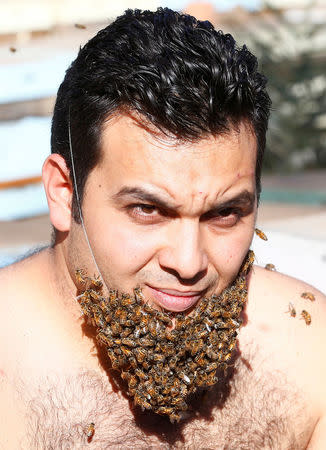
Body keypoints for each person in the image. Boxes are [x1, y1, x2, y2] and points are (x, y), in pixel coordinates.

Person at [1, 7, 325, 448]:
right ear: (63, 192)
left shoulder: (306, 348)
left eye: (224, 213)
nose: (188, 262)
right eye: (148, 210)